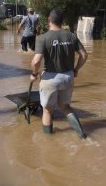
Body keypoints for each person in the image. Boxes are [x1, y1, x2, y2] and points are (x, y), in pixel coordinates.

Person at [30, 9, 88, 139]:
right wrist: (76, 69)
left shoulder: (42, 38)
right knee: (65, 107)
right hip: (68, 76)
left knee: (47, 110)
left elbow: (36, 61)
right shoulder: (71, 36)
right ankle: (81, 135)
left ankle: (49, 140)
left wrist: (34, 74)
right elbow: (84, 55)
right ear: (62, 22)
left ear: (49, 20)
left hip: (50, 79)